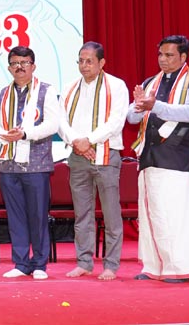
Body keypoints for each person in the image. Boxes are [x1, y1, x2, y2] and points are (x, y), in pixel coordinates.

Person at [127, 35, 189, 283]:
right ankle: (153, 266)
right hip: (149, 156)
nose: (163, 59)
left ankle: (178, 269)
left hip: (177, 156)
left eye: (169, 55)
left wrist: (155, 105)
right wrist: (139, 105)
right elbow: (131, 118)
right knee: (151, 214)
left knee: (174, 216)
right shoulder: (150, 82)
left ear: (183, 57)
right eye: (161, 54)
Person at [58, 42, 129, 281]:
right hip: (77, 156)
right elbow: (61, 122)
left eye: (89, 61)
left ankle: (111, 265)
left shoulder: (116, 85)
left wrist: (88, 140)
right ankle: (84, 262)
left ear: (102, 63)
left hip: (106, 156)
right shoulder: (70, 88)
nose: (84, 65)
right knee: (82, 214)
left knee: (111, 214)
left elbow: (116, 121)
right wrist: (76, 142)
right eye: (81, 60)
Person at [0, 46, 61, 280]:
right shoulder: (2, 94)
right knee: (16, 216)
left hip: (36, 164)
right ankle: (20, 263)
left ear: (33, 66)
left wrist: (25, 134)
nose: (19, 67)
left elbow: (53, 124)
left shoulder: (46, 91)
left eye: (24, 62)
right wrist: (5, 135)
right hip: (8, 164)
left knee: (38, 215)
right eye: (15, 63)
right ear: (9, 67)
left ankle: (39, 263)